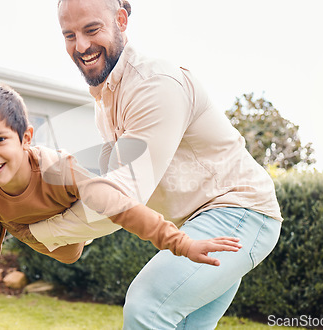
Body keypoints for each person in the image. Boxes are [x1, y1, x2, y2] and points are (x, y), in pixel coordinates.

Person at [32, 0, 283, 328]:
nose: (81, 46)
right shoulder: (106, 99)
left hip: (238, 213)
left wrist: (40, 232)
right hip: (200, 224)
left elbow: (124, 194)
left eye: (92, 29)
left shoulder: (154, 85)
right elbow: (107, 180)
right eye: (69, 35)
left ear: (121, 20)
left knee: (147, 306)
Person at [0, 82, 242, 310]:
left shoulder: (58, 170)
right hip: (52, 243)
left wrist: (182, 243)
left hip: (73, 212)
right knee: (80, 237)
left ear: (25, 139)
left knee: (114, 198)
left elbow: (121, 206)